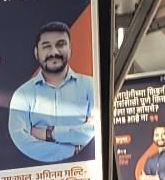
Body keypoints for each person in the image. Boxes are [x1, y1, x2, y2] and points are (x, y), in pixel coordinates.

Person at [6, 22, 98, 164]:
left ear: (70, 48)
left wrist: (48, 133)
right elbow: (21, 140)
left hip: (85, 171)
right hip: (39, 175)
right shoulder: (22, 94)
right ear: (36, 52)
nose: (54, 52)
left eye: (60, 44)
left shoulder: (91, 86)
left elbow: (96, 130)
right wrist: (73, 150)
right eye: (46, 46)